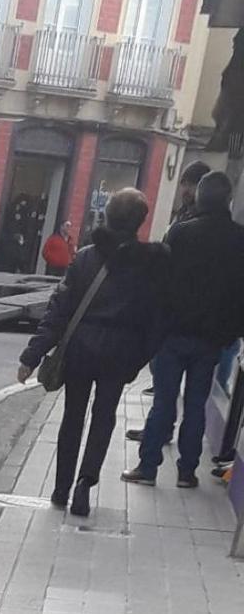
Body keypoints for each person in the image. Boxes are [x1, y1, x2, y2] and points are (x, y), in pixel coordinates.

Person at [17, 188, 168, 517]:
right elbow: (157, 321)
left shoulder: (86, 257)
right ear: (140, 222)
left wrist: (33, 354)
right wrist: (138, 359)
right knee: (104, 417)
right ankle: (86, 482)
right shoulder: (151, 265)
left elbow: (59, 309)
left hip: (81, 348)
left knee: (72, 416)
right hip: (120, 351)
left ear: (108, 216)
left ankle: (61, 486)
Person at [123, 172, 244, 490]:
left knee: (163, 401)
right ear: (228, 201)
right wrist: (230, 332)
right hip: (210, 339)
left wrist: (153, 326)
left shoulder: (180, 233)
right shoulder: (239, 239)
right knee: (196, 404)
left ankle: (148, 467)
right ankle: (187, 472)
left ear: (200, 198)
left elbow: (159, 282)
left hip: (173, 333)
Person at [170, 160, 212, 226]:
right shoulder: (181, 214)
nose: (186, 189)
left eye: (191, 184)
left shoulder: (206, 220)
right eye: (184, 184)